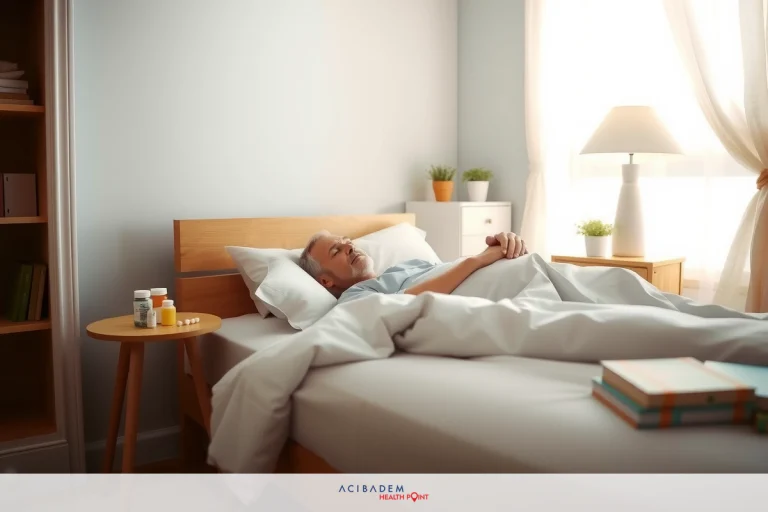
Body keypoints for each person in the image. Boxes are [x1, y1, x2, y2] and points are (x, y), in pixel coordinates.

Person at [297, 230, 528, 304]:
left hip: (516, 275)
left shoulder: (409, 266)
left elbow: (452, 273)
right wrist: (477, 260)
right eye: (336, 251)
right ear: (326, 281)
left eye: (347, 241)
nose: (349, 246)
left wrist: (507, 247)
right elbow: (406, 304)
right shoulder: (354, 298)